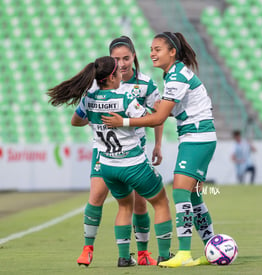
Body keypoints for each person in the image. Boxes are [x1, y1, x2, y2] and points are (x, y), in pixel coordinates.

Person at [102, 32, 216, 267]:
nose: (152, 53)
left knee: (180, 192)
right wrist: (156, 110)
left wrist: (123, 122)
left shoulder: (175, 76)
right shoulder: (172, 74)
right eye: (151, 49)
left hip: (197, 135)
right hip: (197, 135)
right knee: (193, 195)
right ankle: (212, 247)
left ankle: (184, 252)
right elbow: (169, 111)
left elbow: (158, 119)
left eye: (158, 49)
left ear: (172, 52)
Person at [47, 56, 172, 267]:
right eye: (119, 71)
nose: (123, 73)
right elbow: (152, 120)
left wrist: (97, 121)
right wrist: (158, 110)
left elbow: (76, 121)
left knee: (124, 206)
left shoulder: (90, 98)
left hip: (107, 165)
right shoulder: (125, 97)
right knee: (160, 202)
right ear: (112, 76)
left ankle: (124, 258)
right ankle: (165, 256)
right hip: (132, 164)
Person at [74, 36, 164, 266]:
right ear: (110, 64)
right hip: (105, 151)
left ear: (134, 56)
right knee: (96, 196)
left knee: (139, 203)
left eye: (126, 58)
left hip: (135, 147)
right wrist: (101, 123)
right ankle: (87, 248)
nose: (122, 63)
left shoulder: (145, 83)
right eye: (117, 59)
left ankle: (142, 254)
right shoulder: (101, 86)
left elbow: (157, 115)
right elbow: (153, 117)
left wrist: (158, 144)